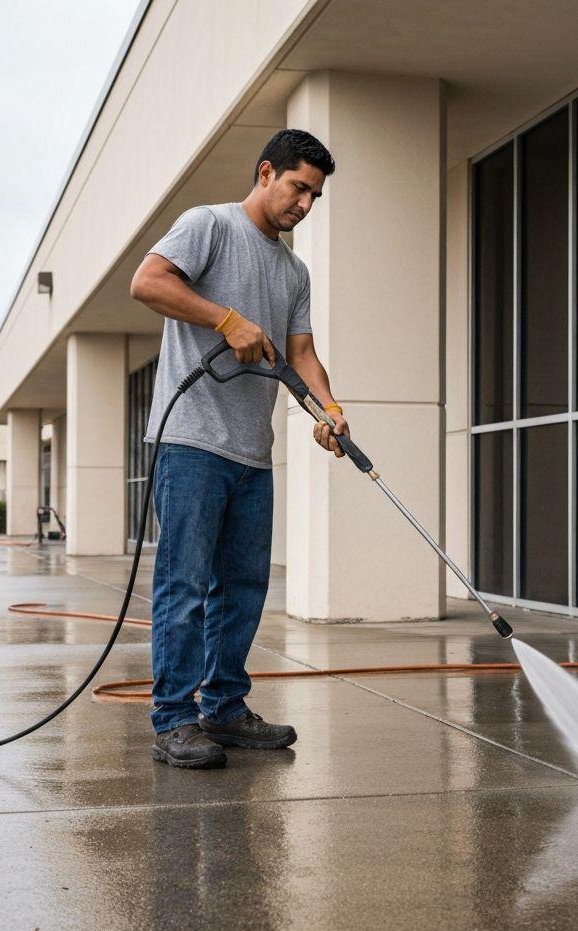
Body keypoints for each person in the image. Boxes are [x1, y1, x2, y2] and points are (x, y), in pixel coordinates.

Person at [130, 129, 345, 769]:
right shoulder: (209, 226)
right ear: (265, 172)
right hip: (192, 443)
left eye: (315, 196)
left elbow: (301, 353)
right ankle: (174, 720)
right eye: (298, 187)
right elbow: (147, 282)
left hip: (252, 451)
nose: (305, 204)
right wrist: (225, 318)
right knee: (185, 587)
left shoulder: (294, 271)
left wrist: (328, 410)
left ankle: (223, 709)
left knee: (244, 589)